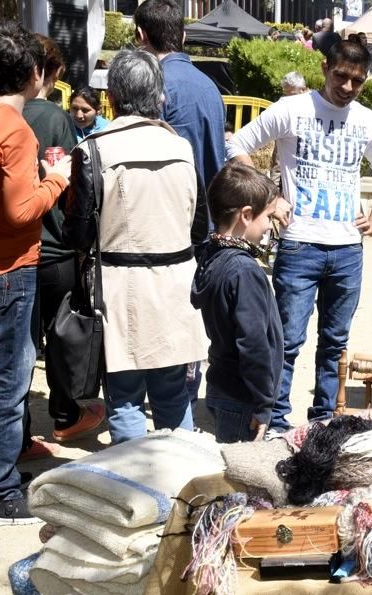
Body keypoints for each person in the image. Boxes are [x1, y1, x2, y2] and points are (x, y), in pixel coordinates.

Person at [227, 40, 372, 432]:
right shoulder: (293, 109)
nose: (349, 87)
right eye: (341, 76)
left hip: (347, 250)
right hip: (299, 244)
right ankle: (276, 421)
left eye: (358, 80)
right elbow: (236, 144)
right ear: (325, 68)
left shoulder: (366, 119)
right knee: (286, 342)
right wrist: (271, 198)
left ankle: (323, 421)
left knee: (335, 344)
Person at [0, 21, 73, 527]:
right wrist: (56, 182)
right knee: (9, 381)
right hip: (6, 265)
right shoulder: (15, 129)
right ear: (33, 73)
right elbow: (19, 212)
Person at [64, 49, 208, 445]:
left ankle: (136, 489)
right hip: (177, 281)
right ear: (158, 95)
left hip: (119, 284)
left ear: (111, 97)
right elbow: (200, 224)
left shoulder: (94, 149)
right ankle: (182, 484)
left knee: (125, 398)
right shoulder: (181, 147)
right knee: (173, 393)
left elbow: (77, 233)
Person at [135, 0, 227, 407]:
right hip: (206, 222)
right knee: (191, 321)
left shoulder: (155, 87)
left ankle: (173, 407)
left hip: (169, 226)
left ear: (141, 36)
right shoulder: (209, 86)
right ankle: (185, 399)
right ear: (183, 35)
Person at [23, 34, 104, 449]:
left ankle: (16, 434)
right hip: (53, 249)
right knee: (61, 337)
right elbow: (72, 185)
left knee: (13, 352)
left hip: (4, 256)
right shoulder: (56, 120)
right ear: (49, 72)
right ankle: (65, 415)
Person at [191, 162, 283, 443]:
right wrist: (263, 404)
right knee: (238, 479)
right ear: (246, 215)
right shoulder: (244, 271)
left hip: (224, 385)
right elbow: (253, 343)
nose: (269, 225)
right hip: (244, 396)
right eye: (268, 217)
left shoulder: (211, 253)